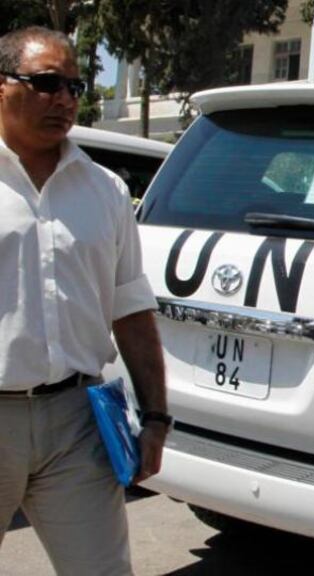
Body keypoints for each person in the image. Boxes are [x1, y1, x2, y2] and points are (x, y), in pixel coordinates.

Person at [0, 27, 169, 574]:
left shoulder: (106, 190)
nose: (65, 99)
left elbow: (131, 309)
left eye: (74, 86)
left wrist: (156, 416)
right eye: (47, 83)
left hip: (77, 421)